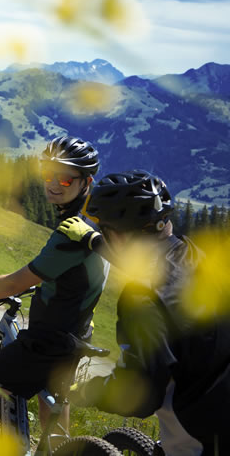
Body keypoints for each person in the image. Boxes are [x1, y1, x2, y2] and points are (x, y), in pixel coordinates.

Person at [0, 136, 108, 451]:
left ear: (86, 182)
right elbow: (78, 280)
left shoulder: (71, 234)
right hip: (76, 339)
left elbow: (12, 284)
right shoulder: (94, 231)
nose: (53, 185)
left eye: (64, 177)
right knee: (54, 429)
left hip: (46, 345)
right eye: (48, 175)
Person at [58, 170, 230, 456]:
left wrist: (89, 391)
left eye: (105, 231)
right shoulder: (196, 256)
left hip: (199, 440)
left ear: (120, 236)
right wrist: (93, 241)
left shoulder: (143, 299)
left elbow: (142, 396)